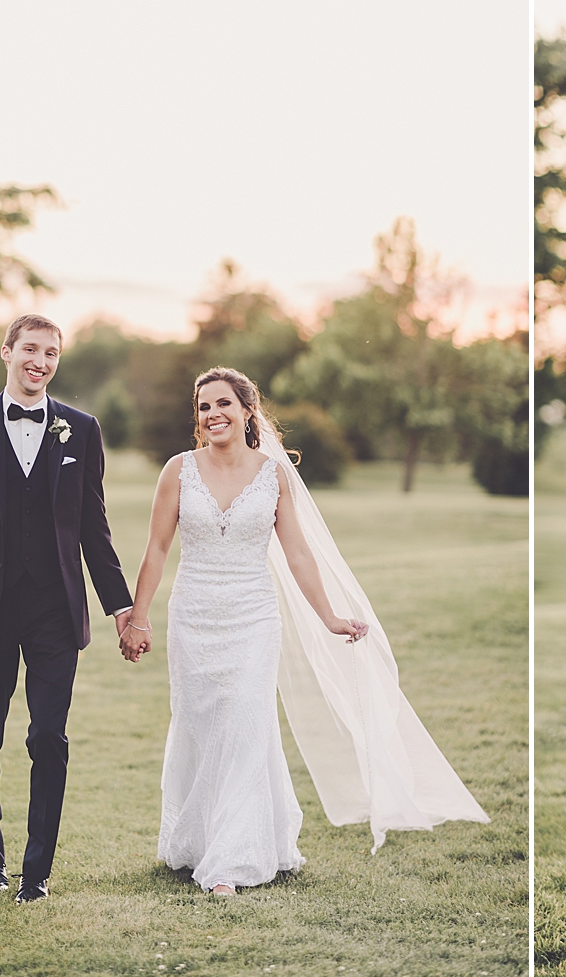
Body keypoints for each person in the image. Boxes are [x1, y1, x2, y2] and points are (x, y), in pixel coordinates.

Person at [119, 367, 489, 894]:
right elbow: (156, 549)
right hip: (194, 616)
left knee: (246, 725)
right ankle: (197, 841)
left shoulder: (274, 475)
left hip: (252, 617)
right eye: (203, 407)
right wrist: (139, 616)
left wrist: (331, 616)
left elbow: (296, 552)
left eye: (224, 404)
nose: (213, 415)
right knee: (199, 725)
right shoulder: (177, 471)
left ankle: (233, 861)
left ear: (248, 410)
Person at [0, 314, 136, 904]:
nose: (40, 362)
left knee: (48, 736)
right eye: (31, 350)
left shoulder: (81, 430)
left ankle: (36, 873)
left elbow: (94, 526)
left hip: (54, 609)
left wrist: (120, 606)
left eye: (51, 353)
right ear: (7, 353)